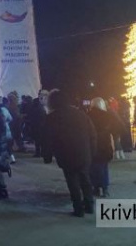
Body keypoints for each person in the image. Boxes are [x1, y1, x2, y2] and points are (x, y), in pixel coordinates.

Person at [43, 89, 97, 217]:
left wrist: (47, 156)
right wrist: (92, 151)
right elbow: (92, 134)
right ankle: (89, 205)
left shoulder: (52, 118)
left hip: (66, 154)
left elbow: (47, 139)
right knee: (85, 179)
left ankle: (78, 208)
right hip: (84, 153)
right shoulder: (81, 114)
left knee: (72, 182)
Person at [87, 97, 122, 197]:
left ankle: (96, 188)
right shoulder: (107, 116)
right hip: (105, 144)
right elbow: (117, 128)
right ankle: (105, 187)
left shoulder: (88, 116)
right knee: (104, 166)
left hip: (92, 145)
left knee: (93, 167)